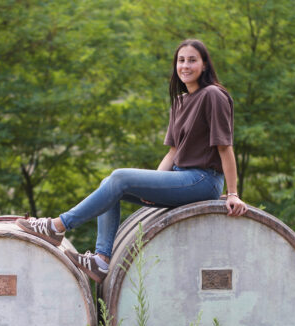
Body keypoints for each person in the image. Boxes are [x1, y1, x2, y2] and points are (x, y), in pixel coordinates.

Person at [17, 38, 248, 283]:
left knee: (120, 177)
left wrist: (233, 193)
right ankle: (101, 260)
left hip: (203, 180)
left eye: (192, 60)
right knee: (110, 184)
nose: (185, 66)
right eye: (181, 60)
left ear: (204, 65)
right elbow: (173, 152)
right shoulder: (180, 102)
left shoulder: (213, 95)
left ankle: (57, 226)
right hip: (181, 178)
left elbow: (225, 147)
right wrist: (155, 185)